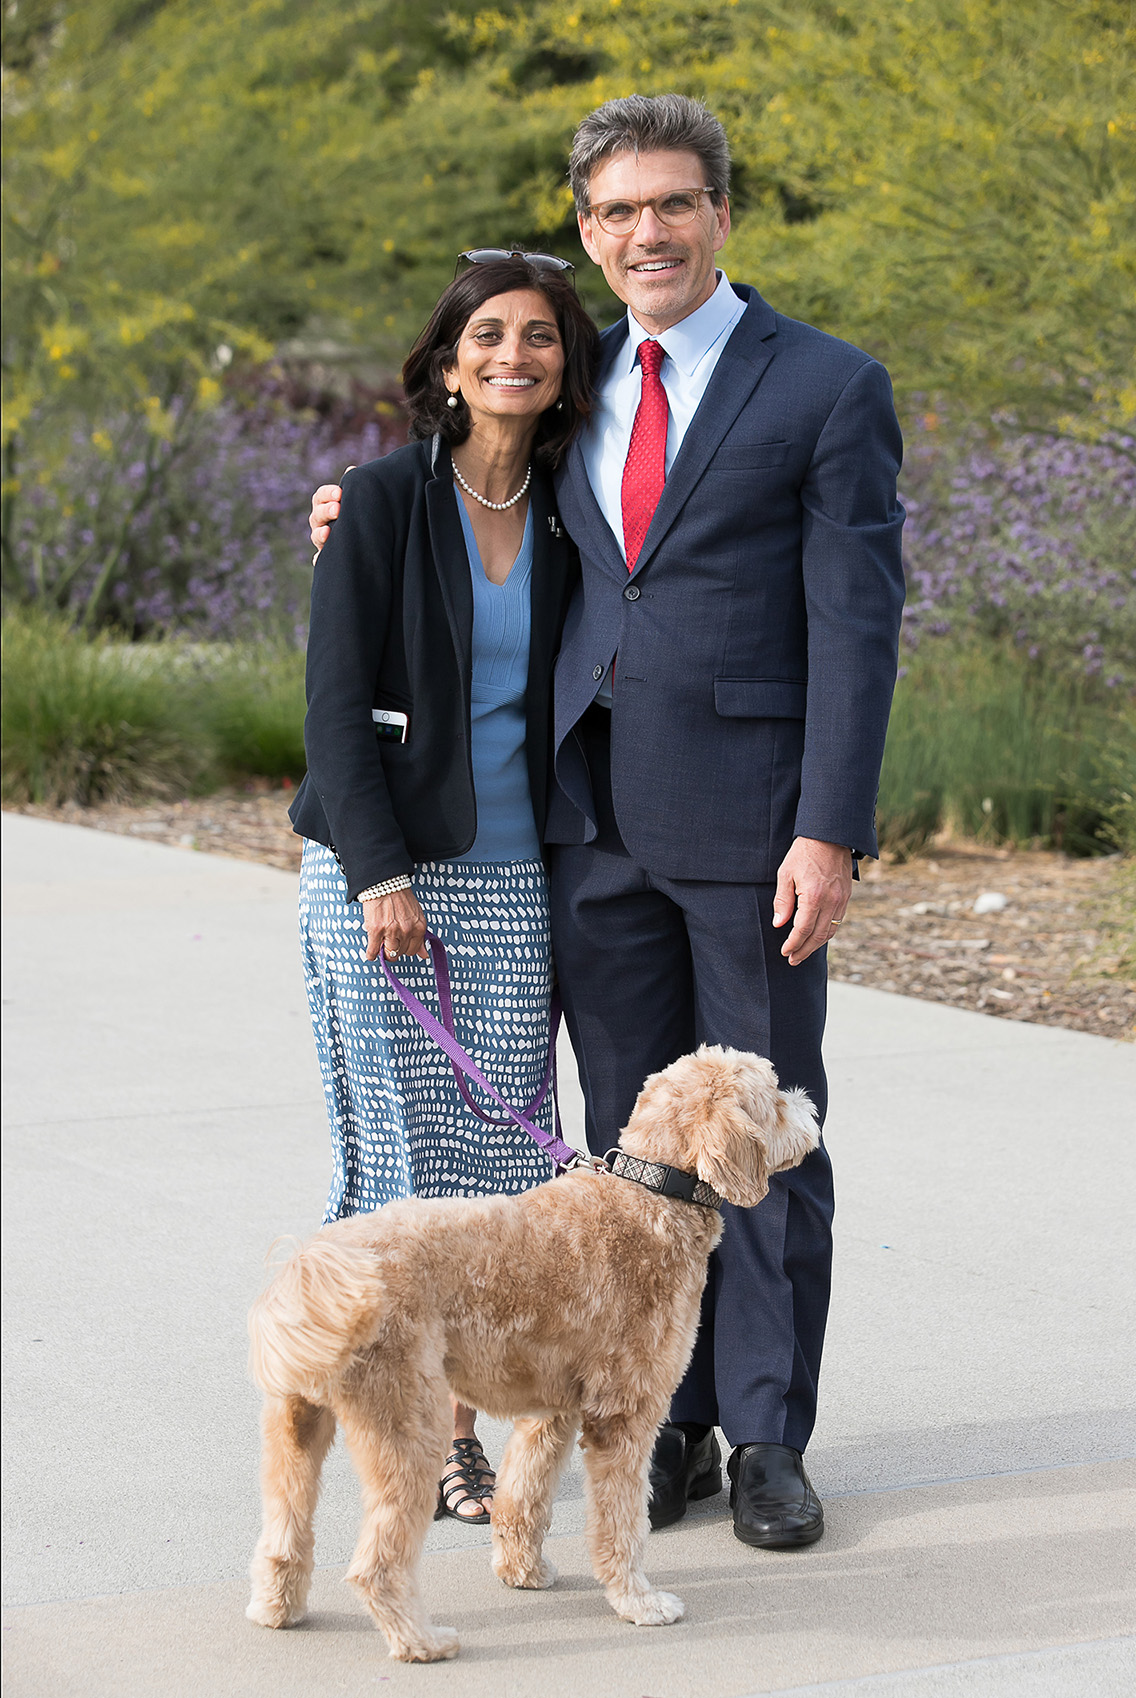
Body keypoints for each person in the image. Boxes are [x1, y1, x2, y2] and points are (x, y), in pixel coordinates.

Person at [310, 93, 905, 1552]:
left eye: (674, 203)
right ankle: (674, 1418)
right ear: (589, 228)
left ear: (721, 214)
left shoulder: (824, 385)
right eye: (618, 210)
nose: (647, 231)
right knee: (632, 1156)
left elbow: (858, 625)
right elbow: (469, 474)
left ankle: (766, 1430)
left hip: (755, 830)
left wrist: (828, 828)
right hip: (585, 829)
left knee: (758, 1140)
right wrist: (350, 513)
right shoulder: (575, 389)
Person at [291, 252, 598, 1522]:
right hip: (381, 879)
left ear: (565, 361)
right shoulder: (372, 500)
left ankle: (436, 1408)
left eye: (537, 334)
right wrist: (376, 875)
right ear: (447, 358)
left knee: (494, 1163)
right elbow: (331, 710)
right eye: (487, 333)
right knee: (401, 1163)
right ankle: (397, 1428)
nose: (511, 354)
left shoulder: (580, 507)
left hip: (514, 873)